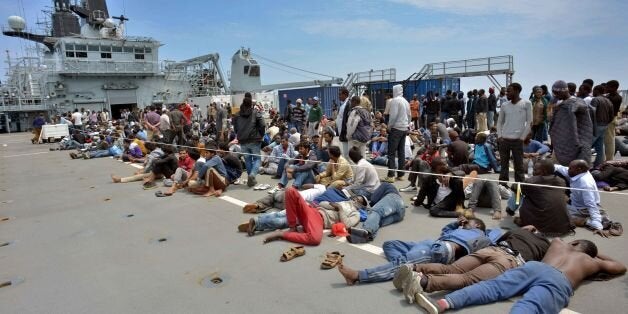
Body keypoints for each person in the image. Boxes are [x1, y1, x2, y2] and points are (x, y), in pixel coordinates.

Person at [415, 238, 626, 314]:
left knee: (492, 288)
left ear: (575, 243)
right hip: (559, 280)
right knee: (531, 306)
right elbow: (619, 267)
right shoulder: (592, 261)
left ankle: (446, 302)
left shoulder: (559, 243)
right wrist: (595, 254)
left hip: (534, 267)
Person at [337, 217, 499, 288]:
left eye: (468, 223)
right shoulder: (459, 229)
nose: (464, 224)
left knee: (401, 263)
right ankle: (407, 269)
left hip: (440, 250)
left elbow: (494, 235)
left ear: (477, 225)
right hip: (431, 243)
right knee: (390, 245)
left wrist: (484, 230)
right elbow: (443, 233)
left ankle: (358, 276)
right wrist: (455, 223)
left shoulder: (480, 235)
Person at [403, 227, 549, 297]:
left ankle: (413, 267)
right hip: (508, 260)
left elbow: (500, 239)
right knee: (467, 279)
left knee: (451, 268)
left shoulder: (522, 231)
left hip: (491, 250)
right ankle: (423, 282)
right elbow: (539, 267)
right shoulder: (546, 246)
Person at [555, 160, 612, 236]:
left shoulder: (585, 183)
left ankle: (588, 221)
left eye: (570, 168)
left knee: (556, 215)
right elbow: (561, 168)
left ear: (579, 169)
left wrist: (597, 225)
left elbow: (591, 204)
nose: (568, 169)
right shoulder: (579, 172)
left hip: (583, 209)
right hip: (575, 202)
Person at [549, 80, 593, 166]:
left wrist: (573, 107)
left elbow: (582, 108)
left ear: (565, 91)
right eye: (554, 93)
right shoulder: (559, 103)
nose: (555, 96)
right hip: (562, 140)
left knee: (576, 166)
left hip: (577, 140)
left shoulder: (576, 102)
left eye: (557, 93)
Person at [496, 82, 532, 183]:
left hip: (518, 141)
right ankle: (502, 186)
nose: (506, 93)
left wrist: (522, 137)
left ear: (517, 91)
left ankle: (519, 187)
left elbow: (530, 122)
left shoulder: (526, 103)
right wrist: (499, 136)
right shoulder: (504, 105)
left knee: (519, 166)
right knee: (503, 166)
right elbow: (499, 122)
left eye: (509, 91)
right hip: (504, 140)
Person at [234, 96, 266, 188]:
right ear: (251, 104)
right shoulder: (255, 113)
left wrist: (239, 134)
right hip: (255, 139)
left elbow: (235, 128)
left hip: (243, 140)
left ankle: (250, 178)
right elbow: (263, 124)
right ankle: (252, 175)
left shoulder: (237, 115)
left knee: (247, 159)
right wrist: (261, 134)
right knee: (257, 159)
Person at [384, 84, 411, 182]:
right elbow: (409, 115)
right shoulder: (406, 101)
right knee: (401, 152)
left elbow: (393, 116)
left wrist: (389, 126)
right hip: (404, 129)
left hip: (396, 129)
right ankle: (401, 174)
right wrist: (407, 125)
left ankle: (391, 175)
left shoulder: (395, 101)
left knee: (391, 153)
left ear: (395, 91)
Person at [590, 85, 615, 167]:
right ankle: (599, 165)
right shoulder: (608, 101)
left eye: (594, 90)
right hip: (605, 126)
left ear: (597, 91)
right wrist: (606, 123)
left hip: (596, 126)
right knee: (599, 147)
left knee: (586, 146)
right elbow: (612, 116)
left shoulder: (595, 100)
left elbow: (592, 113)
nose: (592, 92)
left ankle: (583, 165)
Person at [605, 80, 623, 161]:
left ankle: (609, 160)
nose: (606, 88)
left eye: (608, 87)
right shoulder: (610, 96)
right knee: (608, 140)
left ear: (614, 87)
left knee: (609, 141)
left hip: (610, 120)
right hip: (610, 119)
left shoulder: (615, 98)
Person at [337, 88, 351, 158]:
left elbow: (348, 119)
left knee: (347, 155)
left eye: (340, 94)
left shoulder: (348, 104)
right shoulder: (344, 104)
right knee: (345, 154)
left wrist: (345, 132)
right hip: (342, 132)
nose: (339, 96)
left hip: (345, 132)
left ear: (345, 94)